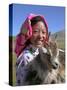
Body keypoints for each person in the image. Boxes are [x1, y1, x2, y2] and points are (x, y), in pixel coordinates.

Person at [15, 13, 49, 85]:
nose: (40, 36)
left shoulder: (43, 52)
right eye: (35, 31)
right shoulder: (26, 57)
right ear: (28, 32)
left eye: (44, 32)